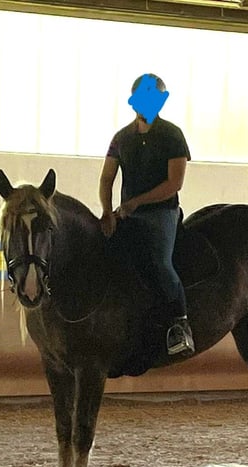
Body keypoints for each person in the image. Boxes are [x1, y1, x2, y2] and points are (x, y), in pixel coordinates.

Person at [98, 73, 194, 357]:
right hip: (127, 213)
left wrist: (135, 203)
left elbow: (174, 183)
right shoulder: (120, 138)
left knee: (161, 263)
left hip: (160, 212)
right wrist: (107, 211)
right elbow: (106, 178)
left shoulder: (172, 135)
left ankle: (180, 324)